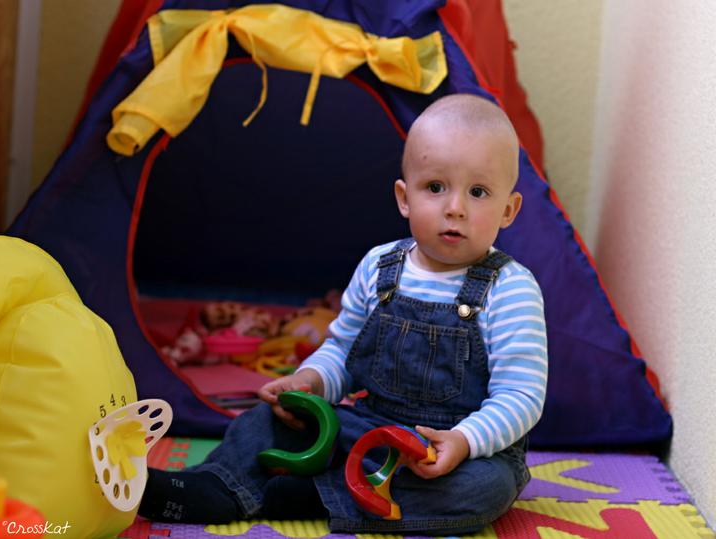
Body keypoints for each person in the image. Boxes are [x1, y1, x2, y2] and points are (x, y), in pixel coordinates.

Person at [136, 93, 547, 534]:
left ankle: (304, 496)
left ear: (508, 210)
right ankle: (219, 484)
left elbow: (520, 396)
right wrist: (311, 382)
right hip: (367, 430)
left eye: (478, 192)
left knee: (484, 488)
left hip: (450, 451)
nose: (455, 208)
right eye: (435, 187)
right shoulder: (379, 267)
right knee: (266, 419)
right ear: (404, 198)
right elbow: (343, 353)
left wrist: (465, 441)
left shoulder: (510, 289)